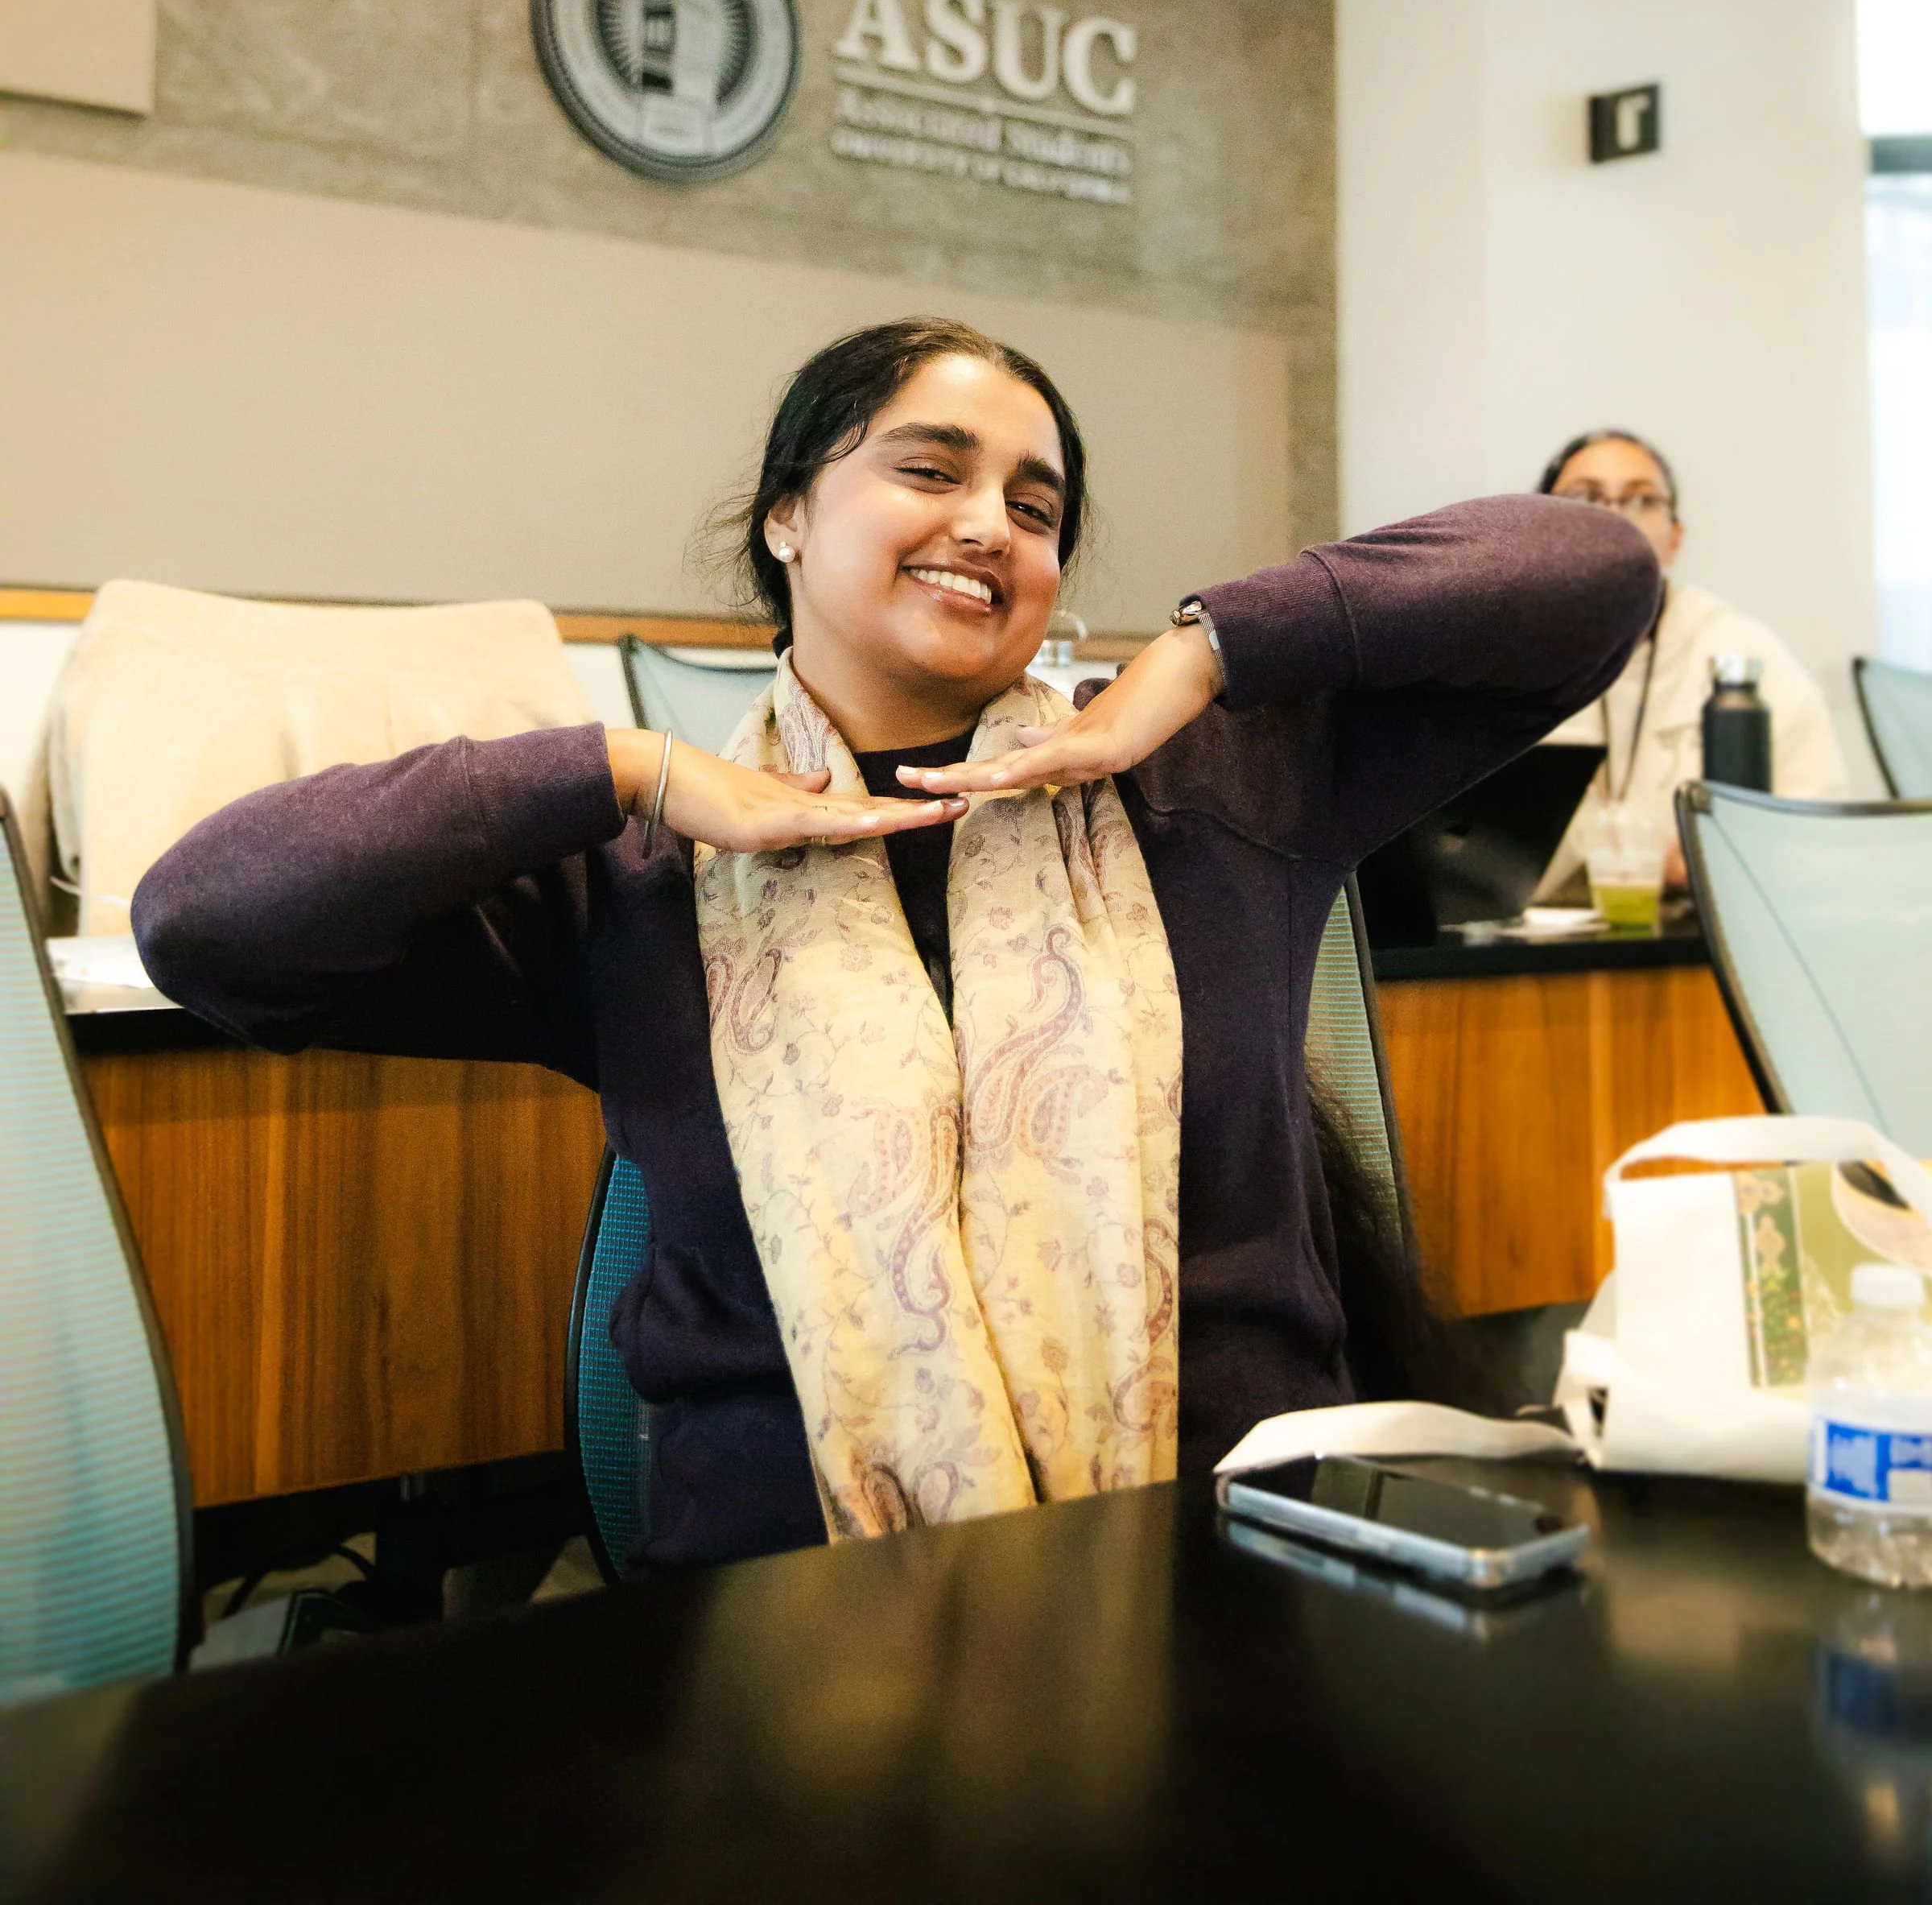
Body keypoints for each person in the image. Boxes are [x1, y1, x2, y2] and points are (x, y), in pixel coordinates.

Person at [135, 320, 1657, 1568]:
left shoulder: (1218, 786)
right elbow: (204, 925)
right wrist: (615, 769)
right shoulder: (637, 874)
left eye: (1038, 505)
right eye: (930, 467)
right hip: (796, 1616)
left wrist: (1203, 651)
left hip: (1226, 1577)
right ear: (787, 515)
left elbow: (1593, 572)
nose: (990, 523)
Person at [1533, 429, 1847, 899]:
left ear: (1675, 538)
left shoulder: (1741, 651)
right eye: (1585, 497)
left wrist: (1727, 858)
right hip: (1532, 949)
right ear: (1536, 532)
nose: (1615, 517)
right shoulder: (1499, 661)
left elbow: (1823, 831)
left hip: (1697, 941)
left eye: (1641, 499)